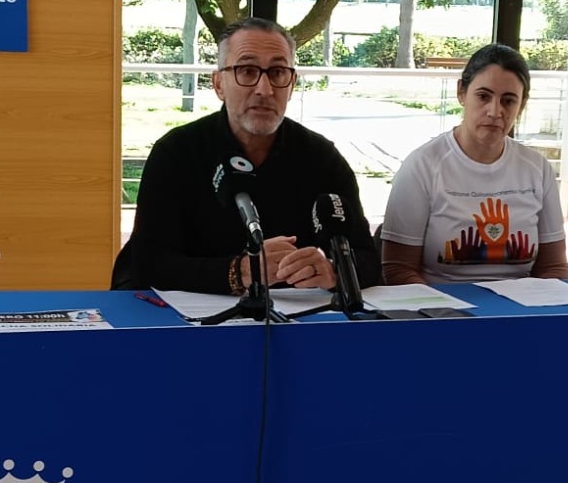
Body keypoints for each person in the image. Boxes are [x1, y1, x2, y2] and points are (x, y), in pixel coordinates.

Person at [113, 17, 381, 294]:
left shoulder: (322, 158)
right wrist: (239, 271)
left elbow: (369, 262)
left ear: (292, 84)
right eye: (247, 71)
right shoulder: (177, 152)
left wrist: (334, 270)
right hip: (192, 314)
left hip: (298, 314)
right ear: (218, 84)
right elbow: (148, 264)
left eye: (278, 72)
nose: (264, 89)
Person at [379, 44, 568, 284]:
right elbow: (398, 269)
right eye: (483, 96)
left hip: (520, 303)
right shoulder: (422, 166)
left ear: (521, 104)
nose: (495, 111)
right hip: (441, 302)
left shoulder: (537, 169)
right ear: (461, 92)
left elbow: (554, 267)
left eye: (508, 101)